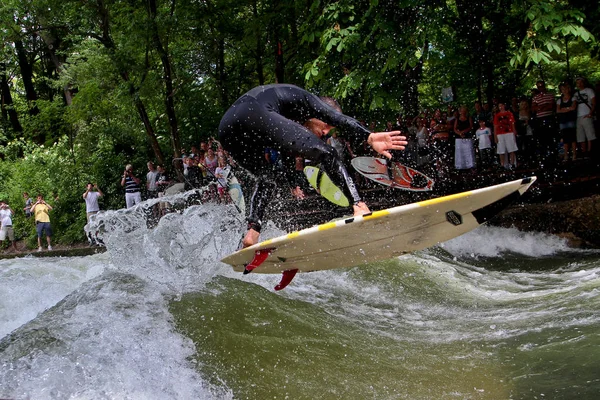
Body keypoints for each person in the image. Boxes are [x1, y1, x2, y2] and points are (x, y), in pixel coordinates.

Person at [218, 84, 407, 248]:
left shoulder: (285, 114)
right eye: (326, 126)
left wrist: (293, 183)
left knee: (268, 177)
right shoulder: (310, 101)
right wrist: (369, 136)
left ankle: (252, 233)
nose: (325, 133)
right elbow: (338, 118)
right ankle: (359, 206)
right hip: (255, 110)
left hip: (228, 128)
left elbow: (286, 151)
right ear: (320, 113)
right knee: (328, 153)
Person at [573, 76, 596, 157]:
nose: (579, 84)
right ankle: (584, 151)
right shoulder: (575, 94)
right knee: (580, 135)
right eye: (577, 83)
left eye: (580, 82)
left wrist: (590, 113)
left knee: (589, 134)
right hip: (579, 116)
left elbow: (594, 102)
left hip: (587, 114)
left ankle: (590, 151)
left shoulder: (589, 90)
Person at [556, 82, 578, 162]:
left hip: (571, 120)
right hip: (563, 121)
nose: (564, 91)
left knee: (572, 138)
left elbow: (573, 107)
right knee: (565, 139)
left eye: (565, 89)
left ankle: (574, 155)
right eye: (562, 89)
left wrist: (564, 109)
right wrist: (568, 109)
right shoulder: (559, 100)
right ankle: (566, 155)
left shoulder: (573, 97)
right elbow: (558, 110)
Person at [493, 101, 518, 169]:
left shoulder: (509, 114)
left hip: (509, 133)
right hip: (500, 134)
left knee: (511, 149)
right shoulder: (497, 116)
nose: (501, 107)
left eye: (501, 105)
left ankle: (512, 163)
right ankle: (502, 164)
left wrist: (514, 130)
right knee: (501, 150)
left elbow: (512, 123)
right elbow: (495, 126)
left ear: (504, 106)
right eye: (499, 106)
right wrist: (495, 136)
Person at [453, 105, 475, 170]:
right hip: (459, 138)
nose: (462, 112)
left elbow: (471, 126)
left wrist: (464, 131)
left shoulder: (469, 118)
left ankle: (470, 165)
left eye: (464, 110)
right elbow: (454, 128)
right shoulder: (457, 119)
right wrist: (459, 133)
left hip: (467, 137)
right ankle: (460, 166)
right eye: (461, 110)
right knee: (459, 152)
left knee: (468, 151)